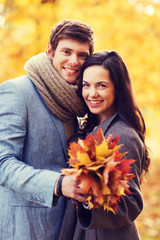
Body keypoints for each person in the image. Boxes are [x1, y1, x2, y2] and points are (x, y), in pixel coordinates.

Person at [0, 19, 94, 240]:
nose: (74, 61)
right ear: (50, 51)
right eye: (67, 52)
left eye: (82, 55)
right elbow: (3, 163)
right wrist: (58, 184)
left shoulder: (77, 102)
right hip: (24, 229)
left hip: (67, 228)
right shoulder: (17, 92)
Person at [59, 50, 150, 240]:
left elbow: (131, 202)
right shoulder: (90, 128)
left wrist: (87, 194)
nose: (92, 94)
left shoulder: (122, 135)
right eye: (86, 85)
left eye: (101, 86)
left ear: (118, 88)